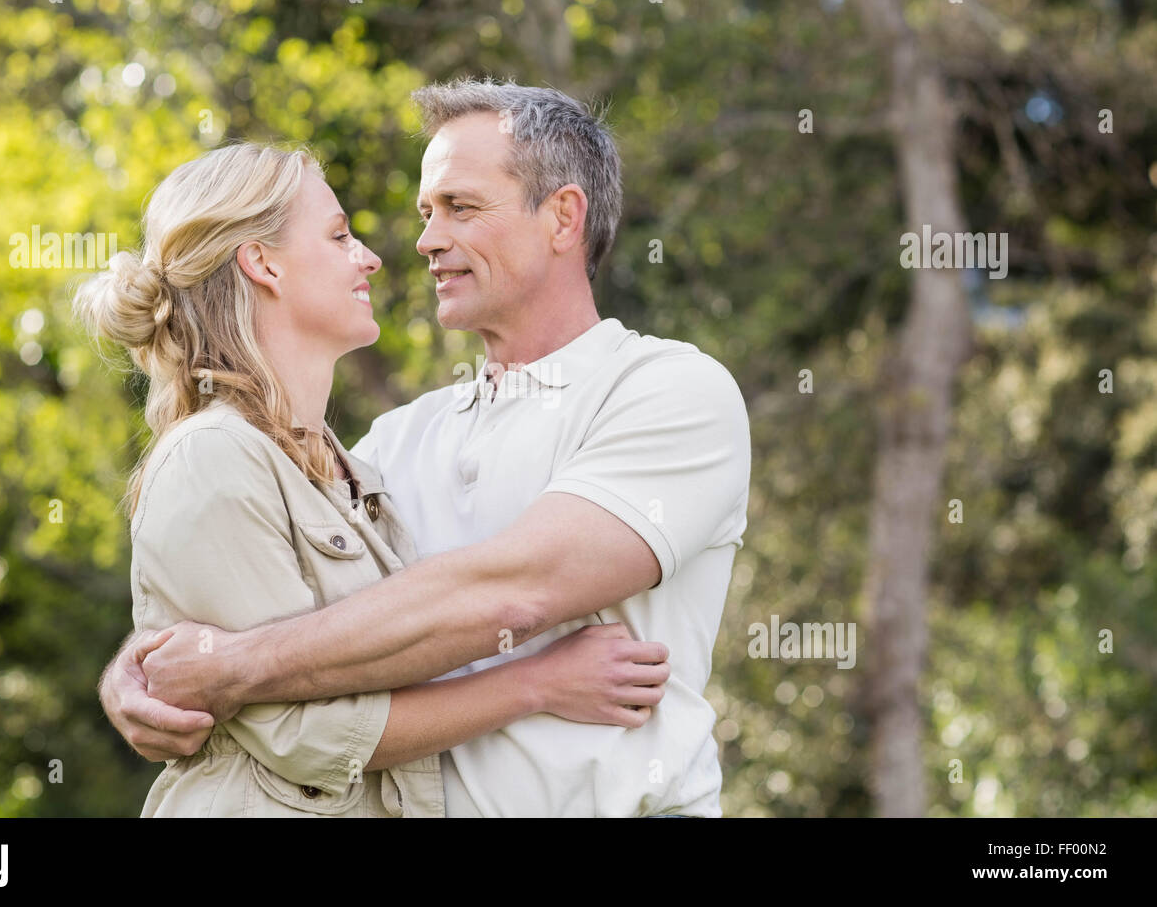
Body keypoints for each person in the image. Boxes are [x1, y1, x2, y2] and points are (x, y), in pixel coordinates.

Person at [101, 79, 751, 817]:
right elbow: (259, 594)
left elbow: (513, 592)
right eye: (425, 213)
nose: (425, 241)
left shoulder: (668, 391)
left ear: (563, 217)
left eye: (461, 208)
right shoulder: (387, 449)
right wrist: (141, 666)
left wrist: (231, 669)